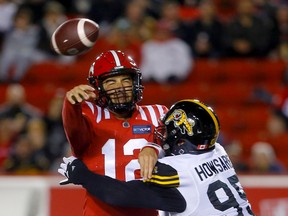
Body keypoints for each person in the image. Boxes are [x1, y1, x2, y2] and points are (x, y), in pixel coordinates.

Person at [59, 99, 255, 216]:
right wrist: (152, 147)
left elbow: (119, 194)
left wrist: (82, 175)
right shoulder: (219, 151)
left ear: (181, 138)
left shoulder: (175, 171)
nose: (164, 136)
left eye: (168, 132)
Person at [62, 50, 168, 216]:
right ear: (98, 87)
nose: (120, 87)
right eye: (111, 82)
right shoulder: (89, 113)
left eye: (126, 80)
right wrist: (70, 104)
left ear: (135, 82)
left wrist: (154, 146)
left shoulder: (158, 113)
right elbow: (75, 133)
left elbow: (184, 149)